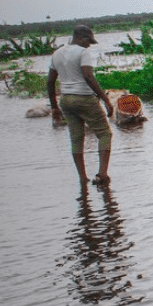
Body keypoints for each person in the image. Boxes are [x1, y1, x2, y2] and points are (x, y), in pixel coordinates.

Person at [47, 25, 112, 186]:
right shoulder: (84, 53)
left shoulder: (57, 53)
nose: (89, 44)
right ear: (80, 38)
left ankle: (83, 178)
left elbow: (50, 81)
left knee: (76, 139)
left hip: (66, 100)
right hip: (84, 98)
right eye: (88, 41)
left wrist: (54, 106)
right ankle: (102, 174)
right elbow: (88, 76)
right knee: (105, 134)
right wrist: (105, 99)